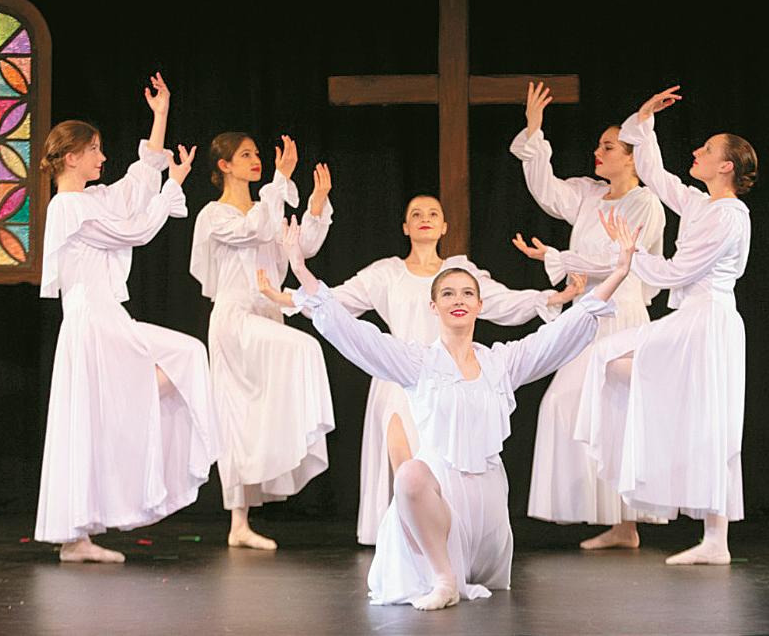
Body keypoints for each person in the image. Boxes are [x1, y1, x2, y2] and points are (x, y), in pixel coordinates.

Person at [273, 212, 639, 610]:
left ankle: (463, 567)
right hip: (440, 500)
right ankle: (443, 578)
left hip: (487, 510)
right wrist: (300, 269)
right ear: (434, 306)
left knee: (457, 519)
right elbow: (352, 332)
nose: (458, 300)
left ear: (480, 304)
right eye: (448, 294)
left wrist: (619, 272)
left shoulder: (502, 363)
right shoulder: (418, 363)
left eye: (467, 293)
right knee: (410, 474)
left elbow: (560, 334)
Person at [264, 193, 572, 545]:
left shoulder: (458, 275)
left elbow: (502, 300)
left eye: (433, 213)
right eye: (416, 214)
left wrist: (553, 298)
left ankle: (442, 531)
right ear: (405, 227)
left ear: (444, 226)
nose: (425, 218)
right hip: (398, 372)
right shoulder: (387, 274)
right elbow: (335, 302)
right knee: (404, 456)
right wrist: (284, 296)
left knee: (441, 456)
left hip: (446, 378)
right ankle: (407, 533)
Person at [35, 73, 217, 562]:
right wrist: (173, 187)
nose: (102, 157)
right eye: (94, 150)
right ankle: (75, 538)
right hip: (91, 322)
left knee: (186, 356)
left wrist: (161, 115)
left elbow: (137, 185)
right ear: (71, 157)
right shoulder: (67, 207)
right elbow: (134, 230)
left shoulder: (91, 199)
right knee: (93, 418)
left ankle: (80, 534)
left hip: (106, 318)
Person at [577, 85, 757, 565]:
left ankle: (716, 540)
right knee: (610, 360)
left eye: (707, 150)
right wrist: (643, 121)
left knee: (712, 423)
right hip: (693, 318)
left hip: (709, 321)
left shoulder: (729, 218)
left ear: (726, 166)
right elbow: (657, 176)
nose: (697, 152)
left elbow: (679, 272)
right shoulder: (704, 206)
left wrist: (629, 256)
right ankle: (708, 532)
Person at [509, 81, 667, 548]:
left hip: (623, 314)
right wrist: (534, 130)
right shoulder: (588, 194)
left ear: (632, 158)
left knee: (620, 414)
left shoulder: (645, 203)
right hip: (588, 316)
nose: (598, 152)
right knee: (564, 403)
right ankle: (613, 519)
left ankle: (626, 523)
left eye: (609, 147)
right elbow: (546, 190)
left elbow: (620, 262)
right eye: (599, 145)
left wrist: (557, 258)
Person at [190, 133, 335, 550]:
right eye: (246, 155)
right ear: (224, 166)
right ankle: (237, 520)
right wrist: (279, 182)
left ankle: (242, 523)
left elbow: (299, 249)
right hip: (235, 320)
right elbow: (251, 230)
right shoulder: (214, 215)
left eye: (256, 154)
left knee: (254, 417)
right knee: (236, 413)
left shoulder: (266, 208)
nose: (255, 160)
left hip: (267, 313)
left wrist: (316, 203)